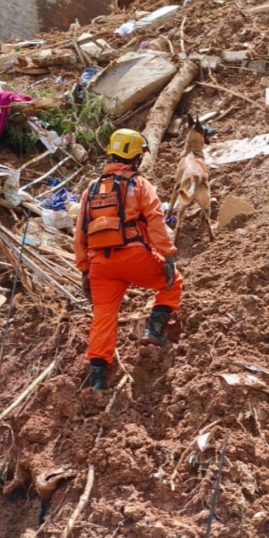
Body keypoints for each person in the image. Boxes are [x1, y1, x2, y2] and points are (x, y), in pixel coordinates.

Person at [73, 129, 182, 391]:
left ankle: (98, 377)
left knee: (103, 316)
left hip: (100, 265)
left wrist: (84, 269)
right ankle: (153, 331)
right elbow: (155, 221)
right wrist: (168, 255)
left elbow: (80, 234)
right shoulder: (139, 184)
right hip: (134, 256)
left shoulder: (92, 189)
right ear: (136, 156)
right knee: (173, 282)